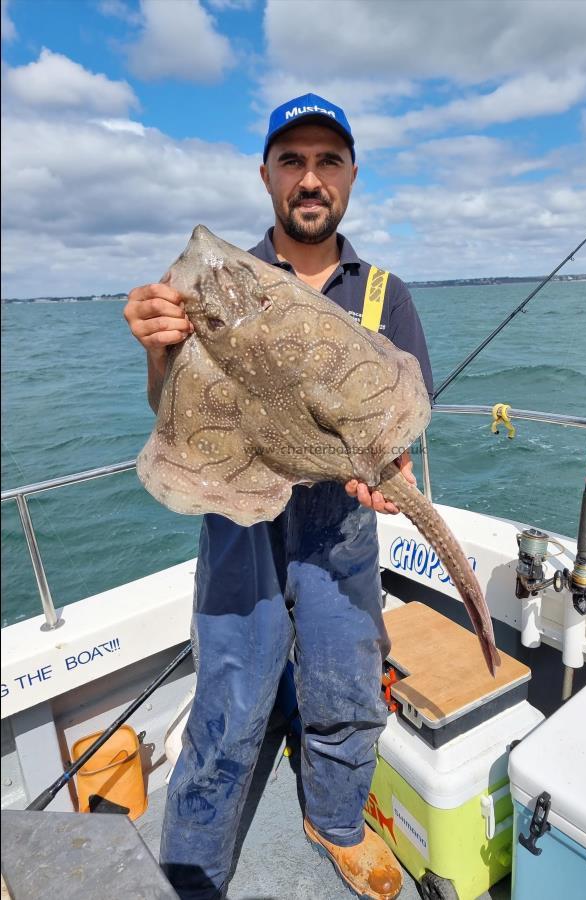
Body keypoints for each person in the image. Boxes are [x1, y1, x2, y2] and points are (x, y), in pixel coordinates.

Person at [123, 93, 433, 900]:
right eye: (291, 160)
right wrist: (160, 347)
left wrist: (381, 472)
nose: (309, 177)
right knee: (229, 704)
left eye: (326, 161)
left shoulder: (382, 294)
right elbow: (174, 411)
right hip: (239, 520)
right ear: (265, 175)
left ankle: (332, 820)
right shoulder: (222, 280)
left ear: (350, 177)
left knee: (345, 685)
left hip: (340, 528)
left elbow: (397, 423)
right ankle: (193, 872)